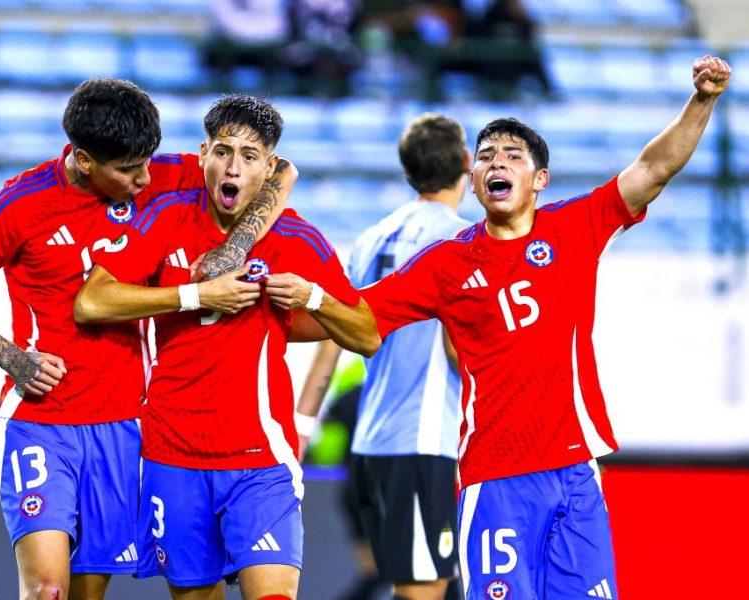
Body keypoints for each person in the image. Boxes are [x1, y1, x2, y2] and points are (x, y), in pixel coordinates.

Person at [357, 56, 731, 598]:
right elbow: (363, 317)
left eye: (512, 154)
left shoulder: (576, 226)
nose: (496, 162)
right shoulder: (446, 263)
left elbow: (653, 169)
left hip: (576, 473)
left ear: (539, 180)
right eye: (485, 156)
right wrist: (299, 300)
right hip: (495, 480)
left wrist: (703, 99)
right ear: (475, 178)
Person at [0, 78, 293, 600]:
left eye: (147, 163)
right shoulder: (17, 207)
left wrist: (234, 249)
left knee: (88, 593)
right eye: (128, 170)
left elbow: (283, 170)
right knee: (48, 589)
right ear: (85, 160)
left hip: (125, 424)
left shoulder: (156, 170)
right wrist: (11, 357)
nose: (144, 179)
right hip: (42, 420)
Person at [73, 94, 381, 600]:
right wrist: (195, 295)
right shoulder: (164, 217)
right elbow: (92, 302)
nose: (232, 167)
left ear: (270, 168)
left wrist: (314, 297)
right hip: (173, 455)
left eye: (249, 156)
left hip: (260, 460)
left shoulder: (297, 238)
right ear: (202, 155)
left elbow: (365, 333)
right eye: (222, 151)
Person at [296, 113, 472, 600]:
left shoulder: (372, 238)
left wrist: (302, 421)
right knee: (425, 588)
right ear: (466, 162)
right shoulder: (464, 242)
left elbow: (333, 330)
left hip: (372, 446)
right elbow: (462, 352)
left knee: (426, 583)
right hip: (422, 441)